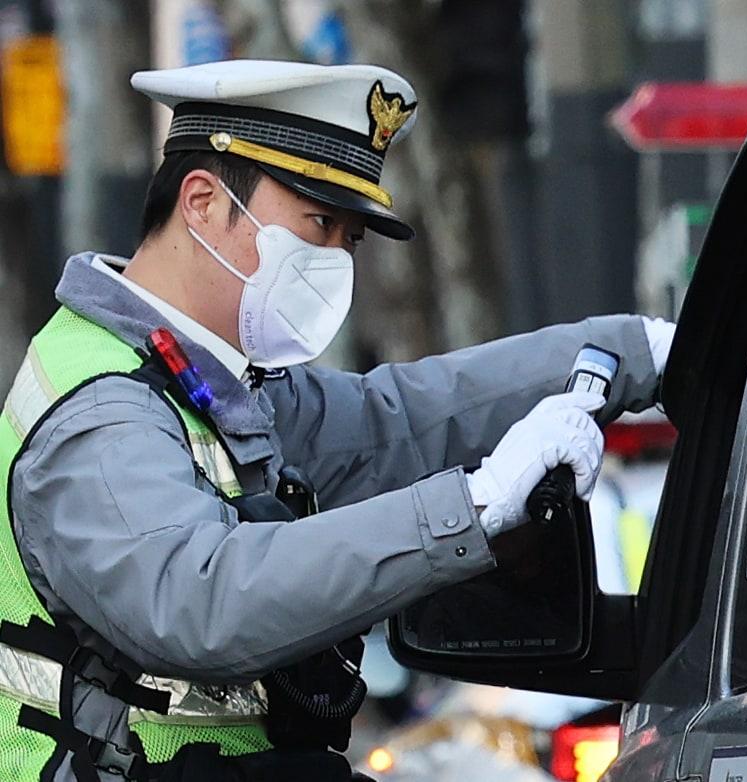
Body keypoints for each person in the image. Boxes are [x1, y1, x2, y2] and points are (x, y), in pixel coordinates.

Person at [0, 60, 675, 781]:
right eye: (317, 224)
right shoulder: (103, 405)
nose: (332, 261)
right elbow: (195, 600)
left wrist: (639, 350)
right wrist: (470, 508)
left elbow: (400, 420)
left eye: (348, 239)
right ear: (201, 202)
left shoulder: (211, 382)